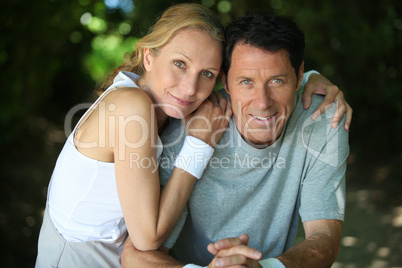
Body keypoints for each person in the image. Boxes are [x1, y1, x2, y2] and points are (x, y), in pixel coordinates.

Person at [121, 11, 350, 268]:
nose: (263, 103)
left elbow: (325, 238)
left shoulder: (324, 119)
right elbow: (134, 256)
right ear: (225, 83)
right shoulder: (190, 131)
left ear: (300, 76)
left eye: (277, 80)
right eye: (246, 82)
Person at [35, 3, 231, 267]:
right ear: (149, 58)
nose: (190, 88)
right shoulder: (131, 106)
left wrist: (306, 77)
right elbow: (148, 237)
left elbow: (260, 78)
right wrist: (200, 145)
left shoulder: (159, 108)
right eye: (179, 63)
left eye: (207, 74)